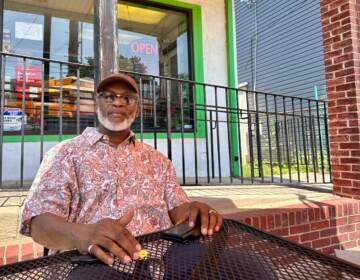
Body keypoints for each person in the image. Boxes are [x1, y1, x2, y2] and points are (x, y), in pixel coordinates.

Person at [20, 73, 223, 266]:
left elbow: (178, 209)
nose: (118, 102)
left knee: (241, 261)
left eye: (127, 98)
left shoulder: (158, 160)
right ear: (96, 104)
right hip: (95, 264)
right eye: (108, 97)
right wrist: (82, 234)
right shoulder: (65, 154)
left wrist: (195, 211)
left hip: (165, 260)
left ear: (137, 109)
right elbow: (39, 223)